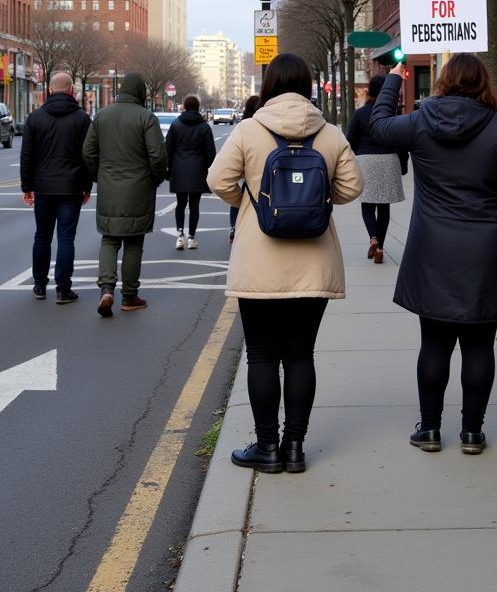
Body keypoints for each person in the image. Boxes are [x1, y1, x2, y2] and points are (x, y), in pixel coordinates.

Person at [371, 54, 497, 455]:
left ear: (443, 82)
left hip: (433, 249)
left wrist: (394, 81)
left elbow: (378, 126)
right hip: (486, 250)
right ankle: (471, 433)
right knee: (480, 345)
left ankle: (429, 429)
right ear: (484, 83)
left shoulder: (420, 122)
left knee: (434, 343)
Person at [208, 54, 363, 474]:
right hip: (314, 264)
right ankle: (295, 447)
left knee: (261, 355)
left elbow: (218, 180)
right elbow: (352, 187)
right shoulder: (329, 134)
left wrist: (252, 204)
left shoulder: (248, 130)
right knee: (300, 355)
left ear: (269, 85)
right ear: (309, 86)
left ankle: (267, 447)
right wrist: (317, 202)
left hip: (260, 262)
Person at [82, 72, 167, 317]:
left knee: (109, 238)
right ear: (140, 92)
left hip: (109, 186)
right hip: (138, 187)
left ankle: (106, 289)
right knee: (133, 241)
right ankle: (129, 296)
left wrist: (100, 176)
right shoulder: (146, 118)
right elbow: (157, 156)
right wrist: (154, 178)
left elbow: (88, 152)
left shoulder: (102, 116)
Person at [20, 71, 92, 304]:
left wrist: (27, 187)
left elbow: (27, 156)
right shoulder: (82, 119)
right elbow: (88, 156)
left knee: (42, 236)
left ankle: (39, 285)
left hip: (42, 186)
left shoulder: (35, 118)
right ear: (72, 90)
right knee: (65, 238)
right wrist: (86, 186)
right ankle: (63, 288)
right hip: (71, 187)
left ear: (49, 90)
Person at [345, 74, 408, 264]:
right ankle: (380, 247)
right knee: (384, 206)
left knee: (367, 205)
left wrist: (357, 158)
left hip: (366, 160)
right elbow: (402, 141)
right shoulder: (392, 114)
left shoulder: (360, 113)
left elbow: (350, 140)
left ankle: (372, 237)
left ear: (370, 92)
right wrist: (403, 164)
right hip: (388, 159)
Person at [166, 94, 216, 251]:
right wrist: (209, 169)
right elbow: (211, 153)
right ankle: (192, 237)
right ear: (198, 107)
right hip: (198, 170)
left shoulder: (175, 125)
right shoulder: (204, 126)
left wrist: (168, 169)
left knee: (180, 204)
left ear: (185, 106)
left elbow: (168, 149)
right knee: (195, 205)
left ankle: (179, 235)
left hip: (179, 169)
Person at [229, 95, 262, 244]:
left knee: (243, 196)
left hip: (246, 175)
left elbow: (218, 180)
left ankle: (233, 228)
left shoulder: (243, 127)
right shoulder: (266, 126)